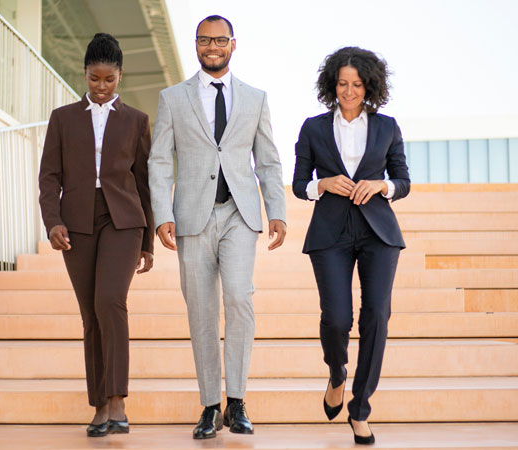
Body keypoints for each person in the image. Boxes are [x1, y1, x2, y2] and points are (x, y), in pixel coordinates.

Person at [148, 15, 287, 440]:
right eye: (205, 39)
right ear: (196, 44)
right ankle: (210, 405)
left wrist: (276, 209)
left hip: (240, 214)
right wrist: (162, 213)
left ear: (232, 44)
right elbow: (158, 160)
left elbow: (267, 159)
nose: (213, 46)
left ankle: (238, 402)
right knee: (202, 311)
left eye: (220, 39)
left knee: (240, 301)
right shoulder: (172, 98)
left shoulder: (255, 98)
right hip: (192, 216)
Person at [292, 47, 410, 445]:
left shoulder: (387, 127)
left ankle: (360, 409)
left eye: (357, 84)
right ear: (332, 85)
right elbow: (298, 184)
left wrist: (381, 185)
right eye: (342, 84)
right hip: (330, 234)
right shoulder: (313, 128)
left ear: (369, 86)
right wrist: (321, 185)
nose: (349, 91)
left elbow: (403, 182)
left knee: (376, 314)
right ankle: (337, 373)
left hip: (378, 232)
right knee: (338, 319)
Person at [38, 33, 154, 438]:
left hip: (123, 221)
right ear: (84, 75)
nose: (101, 87)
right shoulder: (62, 118)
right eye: (93, 79)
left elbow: (144, 182)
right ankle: (100, 404)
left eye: (108, 79)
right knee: (91, 316)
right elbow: (49, 177)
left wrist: (147, 242)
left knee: (110, 301)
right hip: (77, 223)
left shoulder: (138, 121)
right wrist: (52, 221)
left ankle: (118, 398)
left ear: (120, 75)